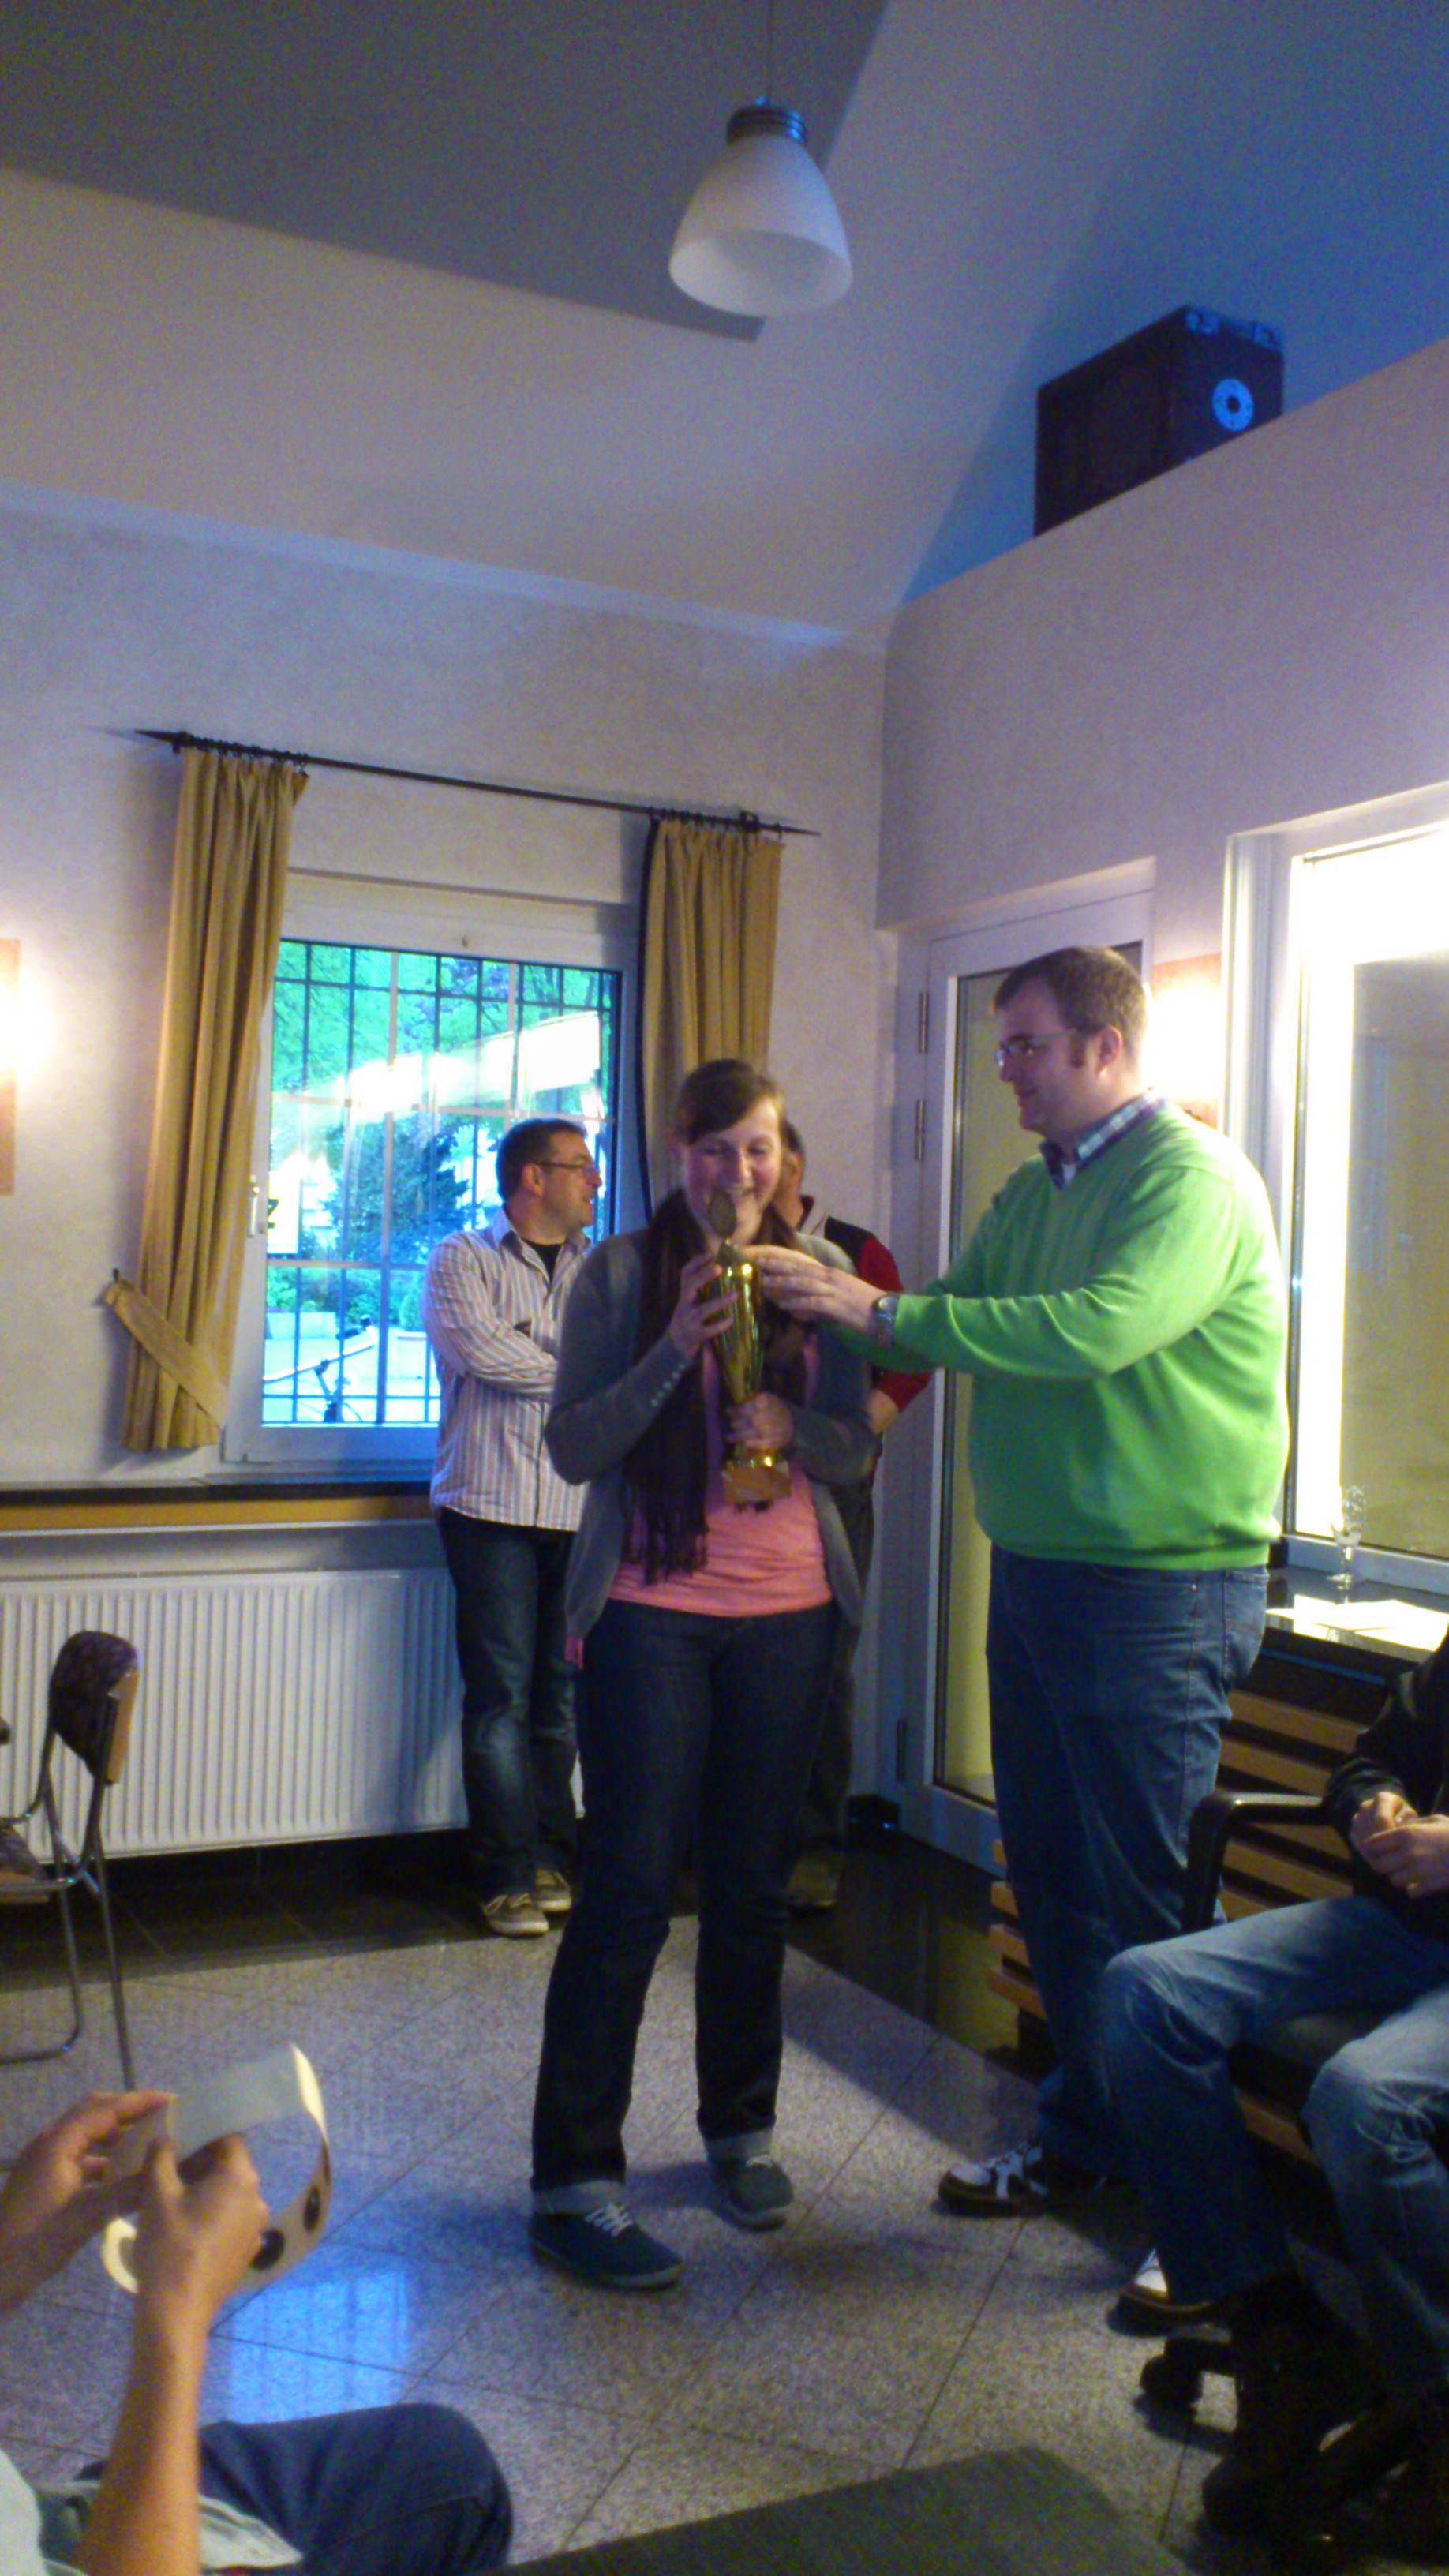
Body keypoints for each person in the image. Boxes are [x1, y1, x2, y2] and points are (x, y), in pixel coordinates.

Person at [754, 945, 1288, 2215]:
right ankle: (1086, 2144)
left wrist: (874, 1311)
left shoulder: (1193, 1179)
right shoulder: (1032, 1187)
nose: (1006, 1072)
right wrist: (839, 1315)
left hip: (1159, 1592)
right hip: (1041, 1571)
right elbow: (950, 1310)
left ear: (1108, 1046)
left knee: (1151, 1909)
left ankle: (1200, 2221)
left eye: (1027, 1046)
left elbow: (1097, 1329)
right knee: (1052, 1886)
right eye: (1000, 1047)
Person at [528, 1058, 876, 2290]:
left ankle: (742, 2133)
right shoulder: (623, 1274)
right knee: (627, 1890)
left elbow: (851, 1447)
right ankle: (575, 2182)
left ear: (786, 1160)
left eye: (760, 1149)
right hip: (649, 1613)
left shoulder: (822, 1277)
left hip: (791, 1615)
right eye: (719, 1149)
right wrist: (678, 1345)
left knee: (752, 1889)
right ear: (679, 1153)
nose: (741, 1172)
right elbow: (574, 1447)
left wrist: (798, 1430)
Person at [1101, 1626, 1449, 2544]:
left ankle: (1439, 2405)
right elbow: (1371, 1759)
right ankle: (1282, 2333)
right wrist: (1374, 1805)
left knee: (1363, 2099)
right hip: (1407, 1929)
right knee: (1145, 1994)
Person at [0, 2089, 510, 2576]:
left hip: (39, 2527)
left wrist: (7, 2257)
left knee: (441, 2457)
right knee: (461, 2487)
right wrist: (178, 2307)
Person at [422, 1117, 600, 1937]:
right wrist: (580, 1374)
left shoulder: (602, 1269)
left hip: (576, 1508)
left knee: (559, 1700)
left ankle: (551, 1858)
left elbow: (628, 1366)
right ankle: (503, 1875)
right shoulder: (463, 1257)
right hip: (487, 1508)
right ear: (534, 1177)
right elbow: (482, 1354)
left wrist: (542, 1357)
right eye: (580, 1166)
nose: (594, 1180)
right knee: (499, 1699)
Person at [771, 1119, 930, 1913]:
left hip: (833, 1487)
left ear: (794, 1164)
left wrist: (864, 1429)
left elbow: (912, 1354)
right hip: (745, 1486)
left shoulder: (857, 1249)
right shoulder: (717, 1251)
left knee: (823, 1668)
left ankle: (814, 1849)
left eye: (760, 1152)